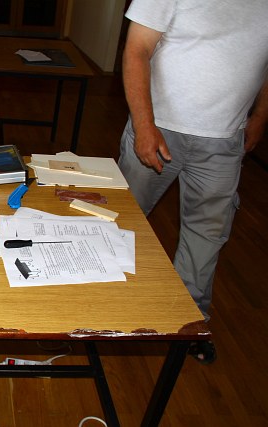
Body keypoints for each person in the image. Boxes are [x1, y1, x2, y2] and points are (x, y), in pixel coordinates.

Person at [118, 0, 268, 364]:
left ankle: (189, 324)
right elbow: (137, 49)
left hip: (225, 141)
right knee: (121, 221)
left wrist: (260, 116)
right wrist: (144, 126)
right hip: (159, 129)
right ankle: (96, 304)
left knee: (207, 236)